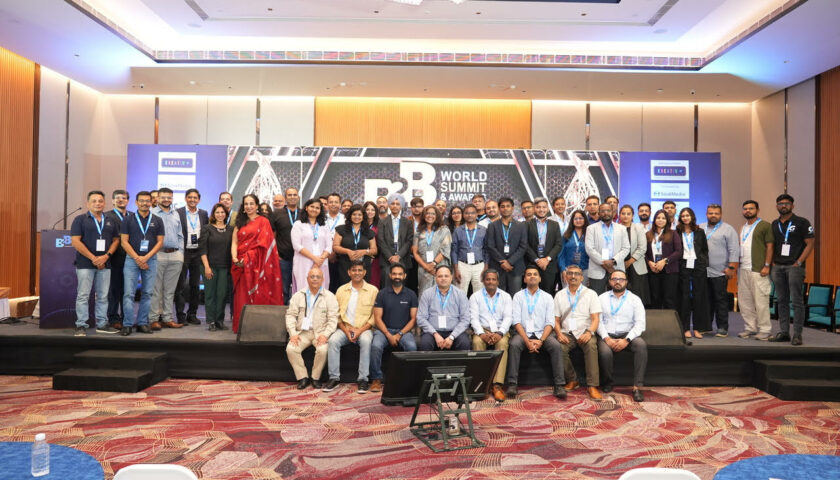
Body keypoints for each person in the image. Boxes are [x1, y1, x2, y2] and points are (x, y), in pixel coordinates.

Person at [506, 265, 567, 399]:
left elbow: (550, 322)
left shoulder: (547, 297)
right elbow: (516, 322)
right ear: (524, 279)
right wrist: (527, 341)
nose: (532, 276)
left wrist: (541, 340)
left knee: (556, 346)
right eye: (529, 275)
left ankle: (559, 385)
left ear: (540, 279)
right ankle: (512, 384)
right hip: (523, 334)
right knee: (514, 345)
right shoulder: (518, 296)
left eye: (535, 274)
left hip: (542, 333)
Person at [70, 190, 121, 336]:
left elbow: (116, 240)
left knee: (103, 296)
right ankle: (81, 325)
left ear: (104, 203)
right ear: (88, 203)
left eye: (100, 201)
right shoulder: (80, 219)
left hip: (105, 264)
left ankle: (102, 324)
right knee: (83, 295)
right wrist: (94, 258)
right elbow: (75, 241)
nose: (98, 203)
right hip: (85, 264)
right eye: (94, 201)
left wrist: (106, 256)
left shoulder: (110, 220)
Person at [231, 194, 284, 332]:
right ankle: (243, 327)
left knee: (259, 293)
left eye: (251, 204)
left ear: (256, 206)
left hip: (258, 265)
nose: (249, 206)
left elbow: (264, 245)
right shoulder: (239, 222)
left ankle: (259, 326)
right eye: (246, 204)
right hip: (241, 265)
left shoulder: (263, 222)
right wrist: (235, 258)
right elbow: (234, 242)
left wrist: (248, 259)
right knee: (242, 295)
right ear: (243, 207)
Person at [324, 260, 379, 393]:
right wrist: (346, 330)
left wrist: (360, 330)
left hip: (364, 329)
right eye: (354, 270)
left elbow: (374, 316)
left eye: (360, 270)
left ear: (364, 272)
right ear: (349, 272)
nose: (357, 273)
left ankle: (363, 379)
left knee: (366, 341)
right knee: (333, 340)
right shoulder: (341, 290)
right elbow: (336, 314)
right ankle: (334, 378)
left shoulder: (373, 290)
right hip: (345, 328)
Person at [769, 194, 814, 345]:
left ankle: (797, 335)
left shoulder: (802, 222)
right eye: (780, 203)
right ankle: (784, 332)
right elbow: (772, 245)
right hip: (778, 267)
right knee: (781, 301)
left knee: (796, 301)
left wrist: (799, 262)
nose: (784, 206)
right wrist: (772, 263)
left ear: (792, 206)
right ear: (777, 206)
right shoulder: (774, 224)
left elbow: (810, 243)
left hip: (794, 267)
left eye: (787, 203)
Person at [596, 270, 647, 402]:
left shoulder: (635, 299)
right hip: (607, 334)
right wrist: (606, 338)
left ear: (626, 282)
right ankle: (608, 382)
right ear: (609, 282)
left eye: (621, 279)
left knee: (641, 345)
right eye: (614, 279)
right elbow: (597, 322)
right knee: (604, 352)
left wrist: (627, 340)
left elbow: (640, 324)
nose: (617, 282)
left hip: (627, 334)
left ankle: (637, 387)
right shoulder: (601, 298)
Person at [554, 264, 603, 400]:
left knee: (591, 346)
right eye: (570, 273)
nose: (573, 276)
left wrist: (589, 332)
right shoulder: (559, 295)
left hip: (585, 331)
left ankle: (592, 386)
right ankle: (572, 380)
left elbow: (595, 319)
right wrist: (559, 334)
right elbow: (555, 320)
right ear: (565, 277)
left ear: (582, 278)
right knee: (558, 347)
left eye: (576, 274)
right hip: (567, 332)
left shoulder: (591, 294)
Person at [286, 267, 339, 389]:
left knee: (323, 350)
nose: (315, 279)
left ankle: (315, 377)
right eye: (312, 276)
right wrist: (293, 333)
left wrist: (325, 335)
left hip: (320, 333)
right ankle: (303, 377)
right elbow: (290, 315)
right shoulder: (298, 295)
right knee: (291, 349)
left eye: (318, 277)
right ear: (307, 279)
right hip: (302, 332)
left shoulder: (330, 296)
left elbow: (333, 319)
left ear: (322, 279)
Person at [120, 191, 164, 336]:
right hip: (131, 260)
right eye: (141, 201)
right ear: (136, 202)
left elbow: (160, 242)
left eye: (147, 201)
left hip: (151, 260)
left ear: (151, 202)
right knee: (128, 293)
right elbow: (124, 242)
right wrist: (138, 258)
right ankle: (127, 324)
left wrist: (146, 257)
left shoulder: (157, 220)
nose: (144, 203)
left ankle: (142, 323)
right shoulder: (128, 220)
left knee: (148, 293)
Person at [369, 262, 418, 392]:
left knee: (412, 347)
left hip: (404, 331)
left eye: (400, 274)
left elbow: (413, 319)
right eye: (394, 274)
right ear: (390, 275)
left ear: (404, 276)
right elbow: (377, 318)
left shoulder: (411, 294)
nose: (397, 276)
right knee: (375, 346)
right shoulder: (382, 293)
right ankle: (376, 379)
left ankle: (410, 379)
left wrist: (400, 334)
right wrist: (388, 334)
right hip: (383, 331)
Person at [469, 269, 512, 402]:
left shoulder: (506, 296)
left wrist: (500, 333)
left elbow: (508, 318)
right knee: (477, 342)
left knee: (502, 343)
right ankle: (481, 384)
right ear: (483, 281)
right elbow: (474, 318)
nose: (491, 282)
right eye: (488, 279)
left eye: (493, 279)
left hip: (500, 330)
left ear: (498, 281)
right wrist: (481, 334)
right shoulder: (475, 297)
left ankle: (497, 385)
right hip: (482, 330)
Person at [737, 200, 774, 341]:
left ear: (757, 210)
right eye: (745, 208)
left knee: (761, 302)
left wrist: (767, 265)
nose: (748, 211)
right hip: (743, 269)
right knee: (745, 302)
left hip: (758, 270)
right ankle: (750, 327)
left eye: (751, 208)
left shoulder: (765, 225)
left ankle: (765, 330)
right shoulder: (743, 227)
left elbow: (770, 246)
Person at [149, 187, 184, 330]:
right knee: (156, 289)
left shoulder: (176, 214)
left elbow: (180, 235)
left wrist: (181, 253)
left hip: (175, 255)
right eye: (163, 197)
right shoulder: (151, 213)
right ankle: (153, 319)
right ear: (157, 198)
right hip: (158, 254)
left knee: (170, 290)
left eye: (169, 197)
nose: (166, 200)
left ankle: (167, 318)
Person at [701, 204, 739, 337]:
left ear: (721, 215)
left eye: (716, 213)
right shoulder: (700, 228)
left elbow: (734, 249)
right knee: (705, 301)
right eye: (711, 213)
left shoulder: (728, 229)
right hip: (703, 272)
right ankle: (706, 326)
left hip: (720, 272)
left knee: (720, 301)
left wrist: (731, 268)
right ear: (706, 214)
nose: (713, 215)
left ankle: (722, 327)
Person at [416, 265, 470, 351]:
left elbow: (465, 319)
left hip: (455, 331)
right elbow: (421, 318)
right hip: (433, 331)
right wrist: (435, 334)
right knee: (425, 343)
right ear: (435, 277)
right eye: (440, 276)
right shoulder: (427, 294)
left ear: (451, 277)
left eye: (446, 276)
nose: (443, 278)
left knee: (464, 343)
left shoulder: (460, 294)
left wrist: (452, 337)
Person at [175, 188, 208, 325]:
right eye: (190, 197)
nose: (192, 200)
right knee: (180, 285)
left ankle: (192, 314)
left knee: (195, 285)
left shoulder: (204, 214)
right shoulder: (178, 213)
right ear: (185, 198)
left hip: (198, 253)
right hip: (183, 252)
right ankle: (181, 315)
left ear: (199, 200)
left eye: (195, 198)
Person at [676, 207, 711, 338]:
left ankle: (698, 328)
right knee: (684, 297)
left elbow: (705, 249)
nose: (685, 218)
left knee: (699, 296)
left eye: (687, 215)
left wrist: (703, 262)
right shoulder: (677, 231)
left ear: (692, 217)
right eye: (683, 216)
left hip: (698, 266)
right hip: (683, 265)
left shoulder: (699, 231)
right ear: (680, 218)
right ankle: (685, 328)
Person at [199, 203, 232, 331]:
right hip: (209, 266)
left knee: (222, 295)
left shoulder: (231, 229)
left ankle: (219, 320)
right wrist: (207, 267)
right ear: (213, 214)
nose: (220, 214)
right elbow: (202, 249)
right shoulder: (206, 228)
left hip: (225, 267)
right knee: (210, 294)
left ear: (226, 214)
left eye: (222, 212)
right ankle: (211, 321)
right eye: (217, 212)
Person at [585, 203, 630, 294]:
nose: (605, 213)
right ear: (598, 213)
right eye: (603, 211)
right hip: (597, 270)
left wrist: (613, 261)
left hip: (617, 269)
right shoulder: (591, 228)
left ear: (613, 212)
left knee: (617, 297)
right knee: (596, 298)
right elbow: (589, 249)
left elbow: (626, 248)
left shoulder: (622, 228)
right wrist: (604, 263)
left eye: (608, 211)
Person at [486, 197, 528, 294]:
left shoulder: (521, 226)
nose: (505, 208)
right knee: (498, 296)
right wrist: (502, 262)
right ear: (499, 208)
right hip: (497, 267)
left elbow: (523, 246)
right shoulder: (492, 226)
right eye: (502, 206)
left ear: (512, 208)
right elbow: (490, 246)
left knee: (515, 296)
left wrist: (509, 262)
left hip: (515, 267)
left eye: (508, 206)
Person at [291, 198, 332, 293]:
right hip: (303, 262)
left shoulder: (324, 226)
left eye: (317, 208)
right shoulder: (298, 224)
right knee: (304, 288)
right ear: (306, 208)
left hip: (321, 262)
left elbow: (329, 246)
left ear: (320, 210)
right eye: (312, 207)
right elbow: (297, 245)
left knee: (322, 289)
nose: (314, 209)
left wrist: (319, 261)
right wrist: (314, 258)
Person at [376, 194, 415, 290]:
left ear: (401, 206)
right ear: (389, 205)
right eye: (392, 203)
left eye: (398, 204)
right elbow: (380, 241)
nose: (395, 206)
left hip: (403, 259)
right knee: (386, 288)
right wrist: (390, 257)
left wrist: (399, 256)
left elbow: (409, 241)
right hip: (387, 260)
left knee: (402, 289)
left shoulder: (408, 222)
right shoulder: (382, 221)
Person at [645, 209, 682, 310]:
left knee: (669, 299)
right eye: (658, 218)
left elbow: (678, 252)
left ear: (667, 220)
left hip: (670, 271)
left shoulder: (673, 233)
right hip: (653, 270)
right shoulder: (648, 234)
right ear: (654, 220)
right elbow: (644, 253)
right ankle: (656, 320)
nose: (660, 220)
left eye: (663, 218)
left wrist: (665, 261)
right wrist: (649, 262)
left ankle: (670, 320)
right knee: (655, 298)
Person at [333, 204, 377, 286]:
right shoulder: (341, 229)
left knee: (363, 289)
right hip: (345, 266)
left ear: (363, 217)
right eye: (354, 214)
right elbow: (335, 247)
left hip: (364, 267)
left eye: (359, 215)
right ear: (350, 216)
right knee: (345, 289)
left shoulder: (369, 232)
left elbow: (374, 250)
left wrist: (364, 252)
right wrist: (347, 251)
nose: (357, 217)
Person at [412, 205, 452, 295]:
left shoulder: (444, 230)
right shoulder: (418, 231)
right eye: (428, 213)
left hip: (440, 267)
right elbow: (415, 252)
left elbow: (445, 250)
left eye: (433, 214)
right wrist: (426, 267)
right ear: (424, 215)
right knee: (424, 294)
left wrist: (433, 264)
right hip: (423, 268)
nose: (430, 216)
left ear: (437, 216)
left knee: (441, 293)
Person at [106, 189, 131, 329]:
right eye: (118, 198)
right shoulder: (106, 216)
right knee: (114, 290)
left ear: (128, 201)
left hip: (131, 258)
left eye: (124, 198)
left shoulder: (133, 216)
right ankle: (113, 318)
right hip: (114, 258)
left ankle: (126, 318)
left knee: (128, 290)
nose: (121, 200)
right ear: (113, 200)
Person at [526, 198, 563, 294]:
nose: (541, 209)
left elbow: (558, 244)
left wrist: (547, 259)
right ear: (534, 208)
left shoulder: (554, 224)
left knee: (548, 293)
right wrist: (537, 260)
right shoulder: (527, 224)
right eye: (538, 207)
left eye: (544, 207)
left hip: (549, 266)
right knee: (531, 293)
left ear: (548, 209)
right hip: (532, 265)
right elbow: (525, 244)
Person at [271, 187, 300, 305]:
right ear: (285, 198)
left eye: (294, 195)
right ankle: (283, 313)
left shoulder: (304, 214)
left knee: (300, 287)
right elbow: (272, 236)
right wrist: (276, 254)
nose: (292, 197)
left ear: (298, 197)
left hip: (301, 258)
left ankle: (299, 312)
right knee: (283, 289)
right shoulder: (276, 214)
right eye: (289, 195)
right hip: (283, 258)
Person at [618, 205, 650, 305]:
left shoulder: (638, 227)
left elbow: (642, 248)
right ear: (619, 215)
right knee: (621, 295)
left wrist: (629, 262)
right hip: (619, 265)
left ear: (632, 216)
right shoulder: (615, 228)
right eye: (623, 213)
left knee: (638, 297)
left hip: (636, 264)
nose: (625, 216)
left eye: (628, 214)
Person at [452, 204, 487, 294]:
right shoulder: (458, 231)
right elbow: (454, 251)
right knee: (460, 293)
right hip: (462, 265)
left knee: (479, 294)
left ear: (476, 214)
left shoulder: (484, 230)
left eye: (472, 213)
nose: (470, 215)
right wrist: (456, 269)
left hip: (479, 265)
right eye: (467, 213)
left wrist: (486, 268)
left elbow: (486, 250)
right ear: (463, 215)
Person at [559, 210, 590, 285]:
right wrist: (563, 269)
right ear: (572, 221)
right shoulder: (566, 235)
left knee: (583, 292)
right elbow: (560, 254)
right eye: (575, 219)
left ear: (585, 219)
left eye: (581, 218)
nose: (578, 220)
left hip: (585, 270)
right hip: (568, 270)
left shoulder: (590, 234)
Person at [325, 192, 345, 293]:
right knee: (325, 285)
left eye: (336, 202)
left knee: (339, 285)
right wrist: (328, 253)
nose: (333, 204)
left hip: (341, 257)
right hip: (324, 256)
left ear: (340, 204)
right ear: (327, 204)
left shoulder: (345, 219)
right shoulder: (321, 218)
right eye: (331, 202)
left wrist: (336, 252)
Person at [406, 197, 425, 293]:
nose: (416, 209)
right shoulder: (406, 221)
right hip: (410, 257)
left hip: (424, 256)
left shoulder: (427, 221)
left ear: (423, 207)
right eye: (414, 207)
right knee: (411, 283)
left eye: (419, 206)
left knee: (424, 284)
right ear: (411, 208)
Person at [363, 201, 382, 288]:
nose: (370, 212)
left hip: (375, 259)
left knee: (373, 283)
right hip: (361, 257)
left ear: (376, 212)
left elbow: (382, 242)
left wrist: (373, 255)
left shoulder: (380, 225)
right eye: (367, 209)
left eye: (372, 210)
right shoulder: (359, 224)